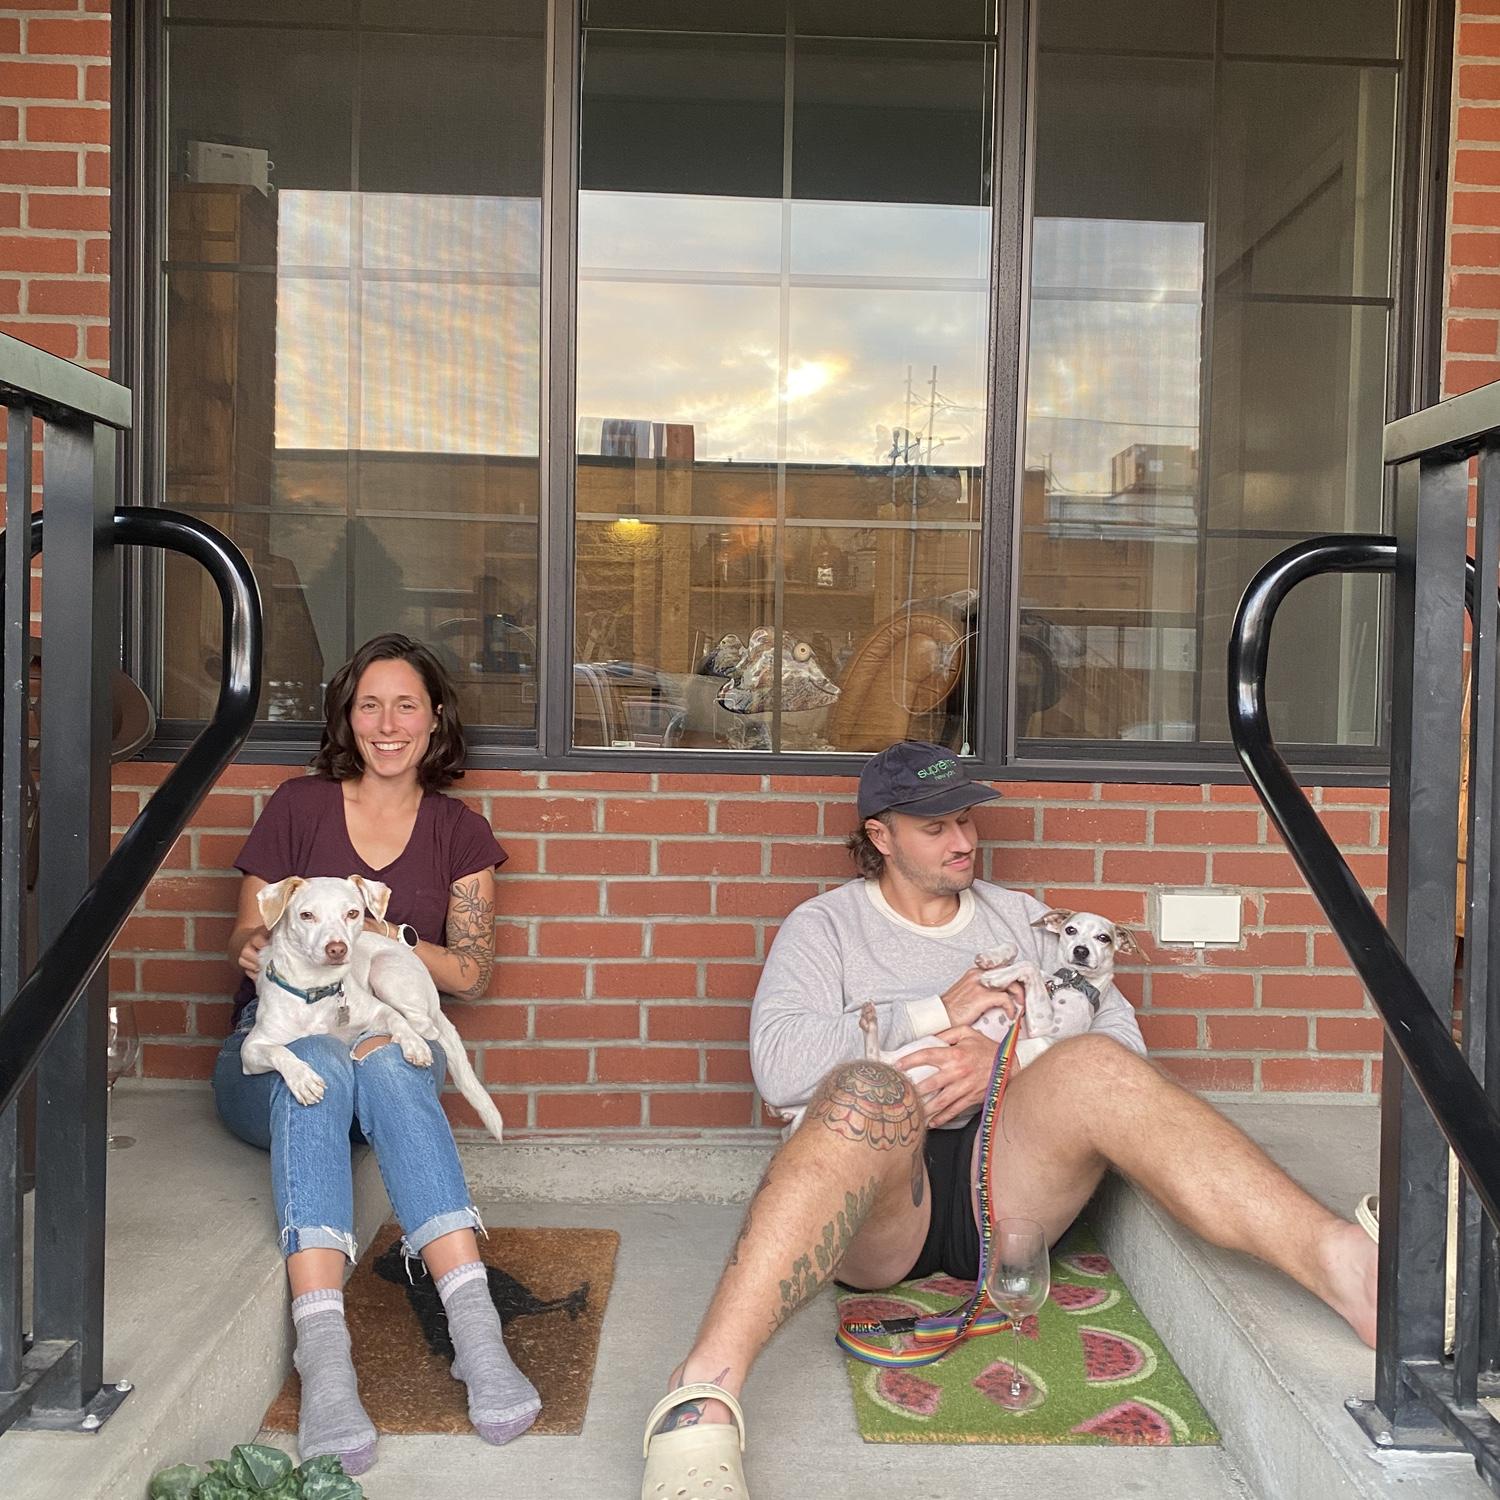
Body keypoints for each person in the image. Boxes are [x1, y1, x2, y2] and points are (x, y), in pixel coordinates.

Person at [639, 740, 1379, 1497]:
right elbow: (779, 1064)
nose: (962, 841)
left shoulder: (1025, 918)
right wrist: (934, 1012)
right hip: (880, 1204)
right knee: (866, 1089)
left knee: (1093, 1066)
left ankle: (1345, 1265)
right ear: (880, 836)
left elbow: (1121, 1051)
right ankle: (702, 1396)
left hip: (1009, 1191)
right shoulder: (824, 926)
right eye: (935, 828)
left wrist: (1007, 1062)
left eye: (965, 820)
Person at [213, 632, 539, 1475]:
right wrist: (257, 949)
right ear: (346, 717)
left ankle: (477, 1334)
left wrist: (383, 933)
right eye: (369, 706)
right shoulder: (298, 807)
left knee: (390, 1057)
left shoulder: (459, 832)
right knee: (320, 1065)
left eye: (405, 706)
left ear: (435, 719)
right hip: (274, 1053)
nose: (387, 725)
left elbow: (471, 975)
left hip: (375, 1040)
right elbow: (247, 932)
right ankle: (325, 1358)